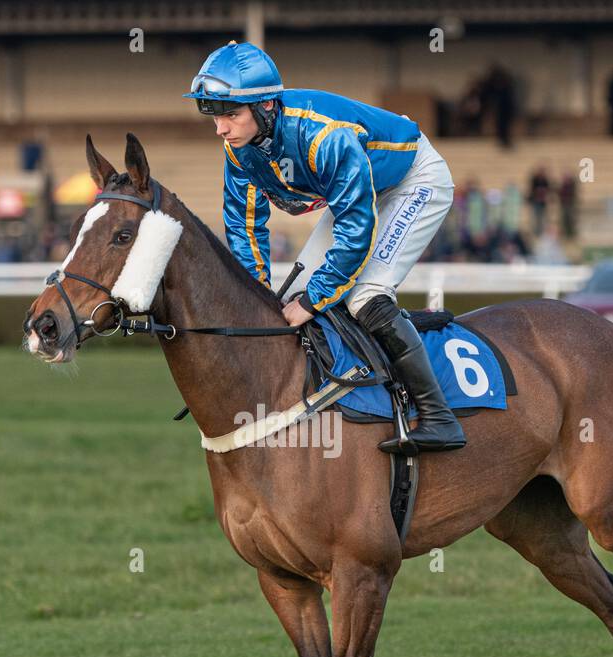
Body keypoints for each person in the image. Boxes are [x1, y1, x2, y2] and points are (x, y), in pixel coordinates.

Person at [185, 40, 465, 453]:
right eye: (213, 115)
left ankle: (438, 417)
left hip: (411, 180)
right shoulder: (239, 149)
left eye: (230, 114)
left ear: (266, 107)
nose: (221, 128)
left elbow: (356, 227)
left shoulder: (324, 136)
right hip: (355, 193)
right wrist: (256, 297)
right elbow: (244, 227)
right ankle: (338, 393)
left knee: (363, 295)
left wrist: (315, 301)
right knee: (295, 295)